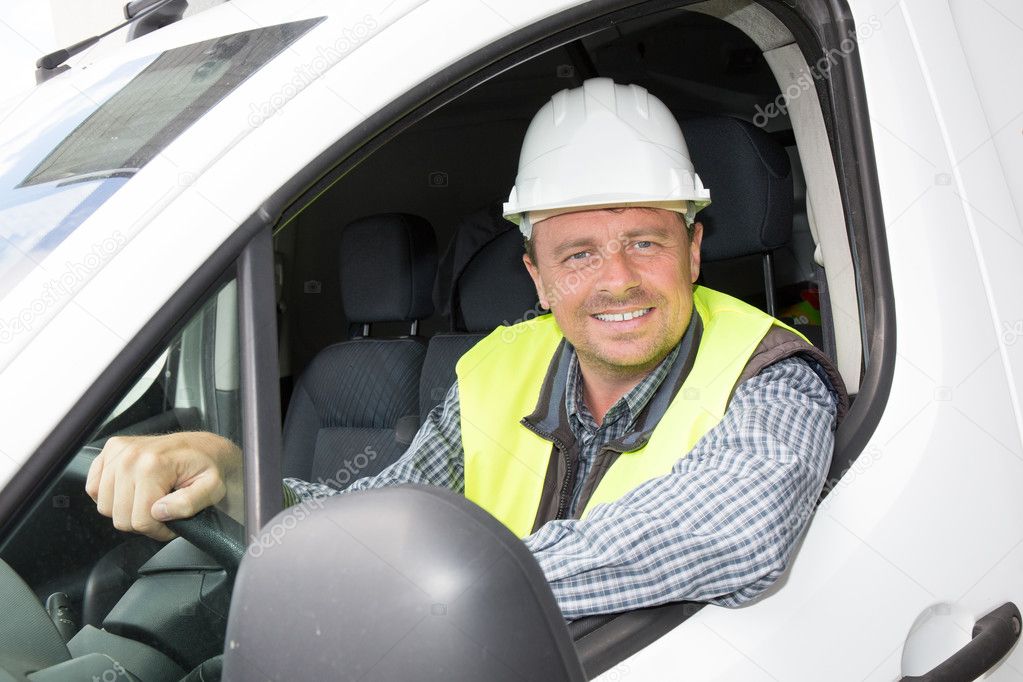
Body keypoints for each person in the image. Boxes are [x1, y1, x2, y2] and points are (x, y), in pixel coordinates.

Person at [87, 78, 847, 620]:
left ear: (692, 251)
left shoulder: (770, 374)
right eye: (577, 254)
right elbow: (379, 520)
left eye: (644, 241)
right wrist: (238, 480)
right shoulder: (493, 371)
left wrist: (430, 594)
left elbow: (731, 536)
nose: (616, 280)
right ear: (538, 278)